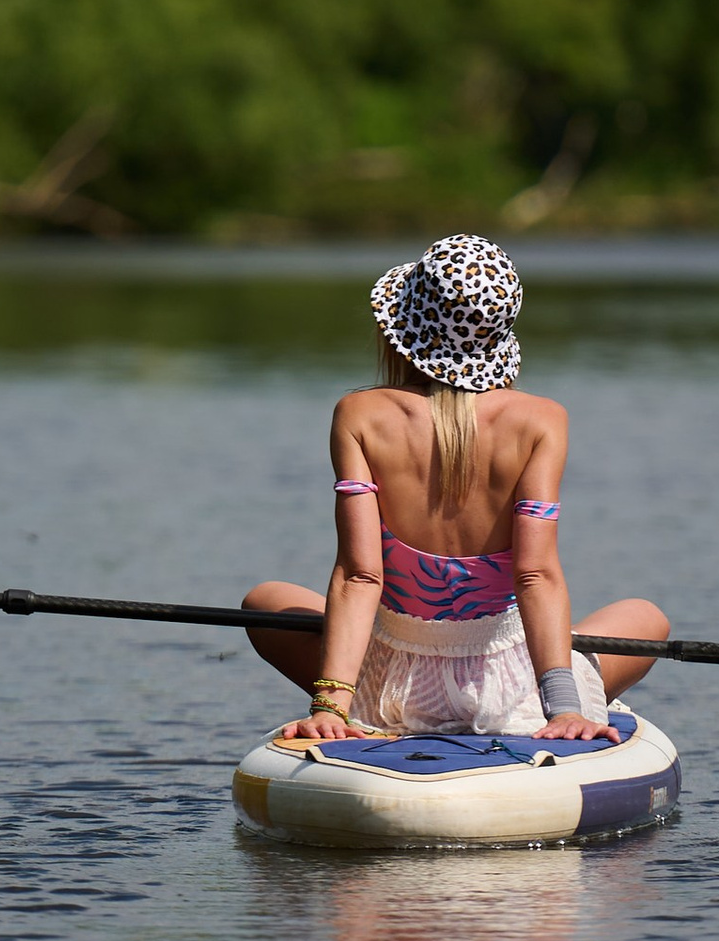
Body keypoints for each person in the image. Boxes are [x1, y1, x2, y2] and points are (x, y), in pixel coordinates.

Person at [241, 232, 668, 746]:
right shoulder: (541, 420)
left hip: (388, 690)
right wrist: (563, 709)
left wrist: (331, 705)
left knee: (265, 600)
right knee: (646, 618)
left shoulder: (359, 414)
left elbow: (360, 576)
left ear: (403, 327)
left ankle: (347, 700)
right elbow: (535, 574)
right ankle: (566, 681)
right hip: (513, 694)